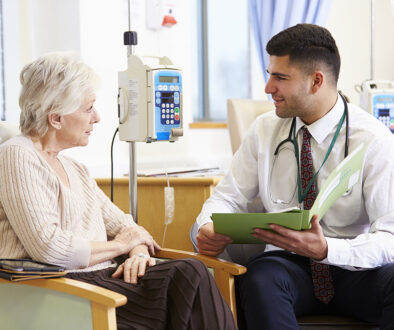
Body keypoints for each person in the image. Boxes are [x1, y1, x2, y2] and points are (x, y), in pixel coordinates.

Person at [0, 52, 236, 330]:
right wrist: (122, 245)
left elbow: (126, 226)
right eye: (88, 108)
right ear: (56, 118)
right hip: (60, 287)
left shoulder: (75, 168)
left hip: (102, 277)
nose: (97, 118)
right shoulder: (16, 156)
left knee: (190, 272)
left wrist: (136, 251)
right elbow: (52, 249)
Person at [194, 23, 394, 329]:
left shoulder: (374, 139)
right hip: (289, 267)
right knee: (260, 280)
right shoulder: (264, 130)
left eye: (280, 77)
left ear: (316, 81)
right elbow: (227, 197)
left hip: (354, 265)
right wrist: (206, 226)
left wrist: (327, 249)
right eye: (269, 73)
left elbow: (389, 237)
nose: (267, 87)